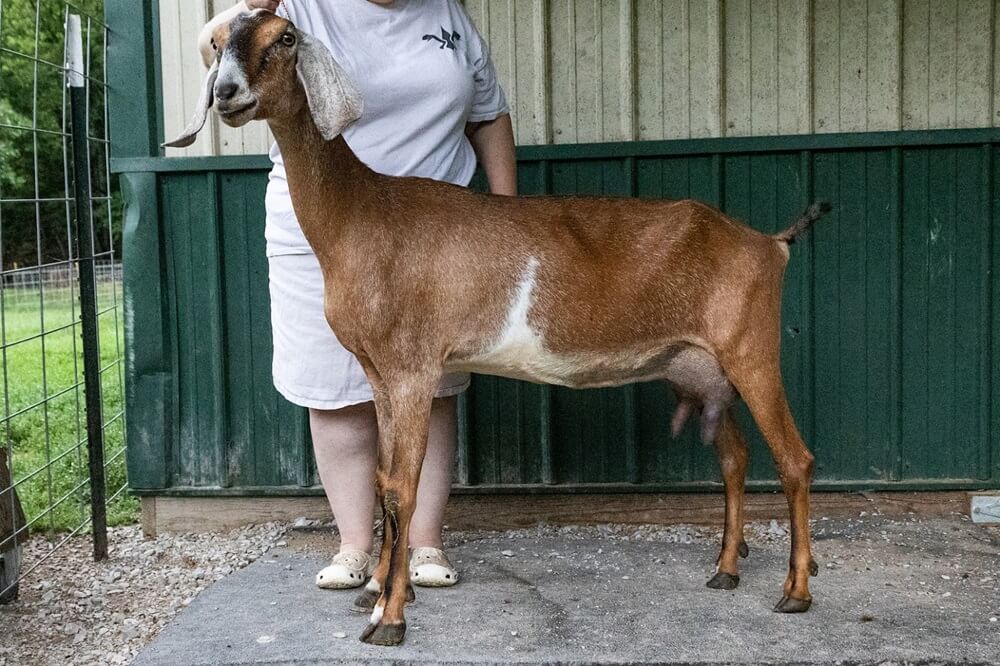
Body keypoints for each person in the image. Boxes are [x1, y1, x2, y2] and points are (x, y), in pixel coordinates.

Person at [197, 0, 516, 589]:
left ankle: (424, 542)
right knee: (334, 388)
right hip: (321, 226)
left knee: (430, 385)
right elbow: (219, 44)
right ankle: (353, 545)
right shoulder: (292, 7)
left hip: (435, 234)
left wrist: (506, 213)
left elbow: (488, 115)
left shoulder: (447, 12)